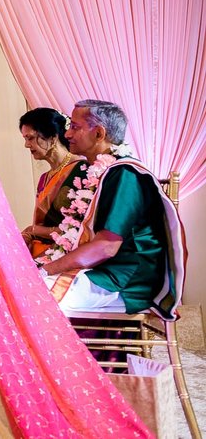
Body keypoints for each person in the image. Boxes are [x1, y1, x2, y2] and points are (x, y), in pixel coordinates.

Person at [38, 99, 178, 317]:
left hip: (125, 279)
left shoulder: (125, 175)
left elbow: (106, 247)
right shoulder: (97, 171)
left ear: (99, 134)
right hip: (101, 270)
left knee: (32, 297)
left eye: (74, 127)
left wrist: (45, 270)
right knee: (23, 288)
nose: (67, 134)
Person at [18, 108, 84, 257]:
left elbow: (80, 227)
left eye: (30, 138)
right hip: (40, 250)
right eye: (25, 139)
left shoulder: (81, 170)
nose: (26, 145)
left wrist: (33, 230)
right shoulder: (44, 178)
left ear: (53, 137)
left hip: (67, 254)